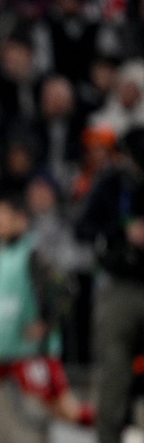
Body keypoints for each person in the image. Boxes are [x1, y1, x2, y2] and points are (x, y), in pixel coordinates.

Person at [0, 195, 95, 443]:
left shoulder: (35, 252)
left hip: (28, 350)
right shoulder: (0, 248)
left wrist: (47, 323)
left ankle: (118, 424)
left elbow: (67, 288)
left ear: (20, 219)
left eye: (3, 219)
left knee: (68, 412)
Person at [75, 127, 144, 443]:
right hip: (120, 286)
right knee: (113, 372)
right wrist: (122, 231)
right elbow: (83, 227)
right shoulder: (112, 182)